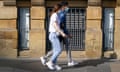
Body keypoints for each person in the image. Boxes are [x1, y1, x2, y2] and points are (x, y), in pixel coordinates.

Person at [40, 1, 78, 67]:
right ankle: (50, 61)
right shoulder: (61, 14)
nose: (68, 8)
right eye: (67, 6)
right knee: (59, 49)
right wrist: (64, 33)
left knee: (60, 48)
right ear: (64, 6)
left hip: (59, 32)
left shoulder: (62, 13)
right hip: (59, 32)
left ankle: (47, 58)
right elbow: (60, 25)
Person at [45, 3, 68, 70]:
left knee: (56, 51)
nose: (62, 10)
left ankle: (54, 64)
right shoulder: (54, 15)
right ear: (58, 9)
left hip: (55, 35)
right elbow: (55, 25)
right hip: (53, 34)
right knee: (58, 50)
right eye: (61, 9)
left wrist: (63, 33)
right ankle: (50, 62)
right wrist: (61, 33)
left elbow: (58, 26)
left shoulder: (56, 15)